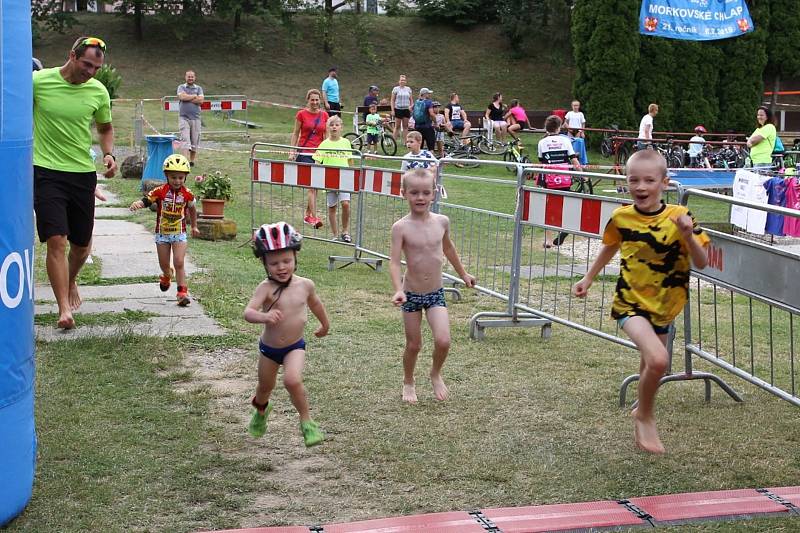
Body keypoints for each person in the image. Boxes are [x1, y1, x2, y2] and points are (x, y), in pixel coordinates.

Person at [572, 150, 710, 454]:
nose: (641, 186)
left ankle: (641, 409)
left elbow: (702, 262)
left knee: (651, 363)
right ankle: (645, 415)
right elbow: (610, 246)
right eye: (634, 180)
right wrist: (588, 278)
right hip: (630, 303)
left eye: (649, 180)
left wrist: (687, 234)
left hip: (665, 305)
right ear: (626, 182)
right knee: (660, 360)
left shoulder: (680, 218)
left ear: (664, 182)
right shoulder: (621, 217)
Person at [33, 36, 118, 330]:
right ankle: (63, 309)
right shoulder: (39, 81)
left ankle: (70, 281)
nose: (91, 72)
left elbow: (105, 128)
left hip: (82, 173)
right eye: (86, 65)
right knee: (57, 240)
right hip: (45, 170)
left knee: (81, 248)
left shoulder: (98, 91)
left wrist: (109, 154)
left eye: (96, 67)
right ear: (71, 55)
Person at [390, 169, 476, 403]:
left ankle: (435, 373)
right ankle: (408, 381)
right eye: (414, 192)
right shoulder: (401, 227)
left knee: (443, 340)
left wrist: (463, 274)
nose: (420, 197)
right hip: (411, 295)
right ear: (404, 193)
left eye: (426, 192)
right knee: (414, 345)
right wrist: (398, 289)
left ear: (434, 194)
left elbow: (448, 248)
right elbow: (395, 262)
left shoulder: (442, 222)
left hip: (436, 293)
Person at [246, 222, 330, 447]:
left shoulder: (305, 285)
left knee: (292, 380)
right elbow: (248, 312)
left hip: (295, 346)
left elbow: (316, 305)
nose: (281, 267)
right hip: (269, 349)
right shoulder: (265, 288)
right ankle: (261, 410)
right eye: (274, 263)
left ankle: (307, 422)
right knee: (264, 388)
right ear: (264, 263)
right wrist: (264, 317)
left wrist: (325, 324)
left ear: (295, 258)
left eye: (287, 261)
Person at [129, 154, 200, 306]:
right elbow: (147, 200)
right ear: (167, 176)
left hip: (179, 234)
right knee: (164, 265)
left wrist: (194, 225)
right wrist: (138, 204)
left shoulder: (187, 194)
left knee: (179, 262)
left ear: (185, 177)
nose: (177, 181)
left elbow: (193, 209)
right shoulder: (160, 191)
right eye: (174, 177)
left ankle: (182, 293)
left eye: (181, 177)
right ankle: (167, 275)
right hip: (162, 234)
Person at [537, 115, 582, 248]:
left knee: (549, 209)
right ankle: (565, 229)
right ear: (558, 127)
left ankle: (548, 240)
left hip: (549, 179)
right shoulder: (565, 140)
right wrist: (582, 174)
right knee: (567, 205)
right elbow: (573, 160)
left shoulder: (542, 142)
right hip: (564, 177)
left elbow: (541, 162)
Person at [290, 89, 329, 229]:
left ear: (320, 101)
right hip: (305, 153)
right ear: (308, 100)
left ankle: (307, 214)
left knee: (316, 186)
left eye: (317, 100)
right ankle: (314, 217)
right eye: (312, 100)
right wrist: (292, 150)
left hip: (319, 154)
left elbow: (326, 135)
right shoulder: (301, 114)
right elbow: (295, 133)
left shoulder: (324, 115)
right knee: (311, 187)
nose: (315, 102)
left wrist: (328, 152)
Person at [312, 116, 353, 243]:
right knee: (332, 207)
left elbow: (349, 160)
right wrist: (318, 177)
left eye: (336, 125)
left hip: (344, 178)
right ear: (327, 127)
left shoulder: (346, 142)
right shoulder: (324, 144)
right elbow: (317, 161)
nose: (334, 127)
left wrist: (352, 174)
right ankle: (335, 234)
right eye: (331, 125)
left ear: (341, 127)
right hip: (329, 180)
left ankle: (345, 231)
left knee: (345, 204)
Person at [177, 70, 204, 167]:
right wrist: (193, 96)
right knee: (185, 139)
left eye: (192, 76)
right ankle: (184, 161)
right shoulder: (181, 87)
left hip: (196, 118)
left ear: (195, 78)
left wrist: (188, 97)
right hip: (183, 118)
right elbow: (181, 97)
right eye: (189, 76)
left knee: (194, 140)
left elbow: (201, 101)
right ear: (185, 77)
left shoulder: (199, 88)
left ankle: (191, 161)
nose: (190, 78)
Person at [747, 106, 777, 171]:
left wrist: (751, 141)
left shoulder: (769, 127)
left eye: (761, 115)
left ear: (767, 117)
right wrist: (750, 141)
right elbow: (749, 142)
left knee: (760, 181)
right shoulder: (758, 129)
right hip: (755, 161)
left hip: (762, 161)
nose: (759, 117)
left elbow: (753, 141)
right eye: (758, 115)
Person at [391, 74, 413, 140]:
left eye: (404, 80)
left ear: (406, 81)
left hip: (406, 109)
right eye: (401, 80)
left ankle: (406, 142)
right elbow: (392, 100)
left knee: (405, 126)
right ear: (399, 81)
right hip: (398, 109)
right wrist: (392, 110)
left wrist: (411, 107)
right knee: (397, 126)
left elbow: (411, 99)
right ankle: (393, 141)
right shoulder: (395, 89)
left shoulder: (408, 89)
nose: (402, 81)